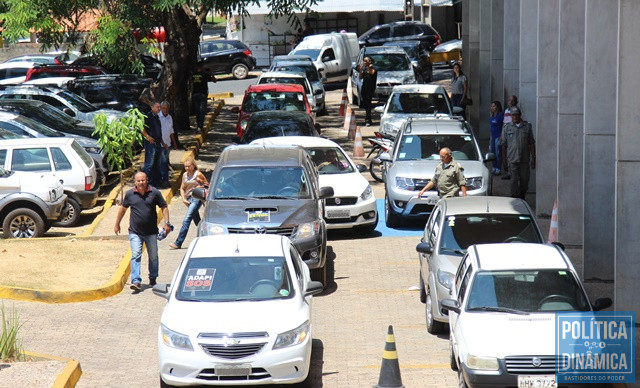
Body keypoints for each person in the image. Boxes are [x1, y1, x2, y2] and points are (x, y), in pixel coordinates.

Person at [114, 171, 171, 291]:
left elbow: (164, 206)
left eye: (143, 180)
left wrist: (167, 223)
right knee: (135, 255)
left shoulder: (154, 192)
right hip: (135, 232)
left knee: (153, 256)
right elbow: (123, 209)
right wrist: (117, 224)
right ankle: (136, 281)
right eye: (138, 180)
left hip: (151, 232)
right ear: (135, 182)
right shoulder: (130, 194)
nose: (141, 182)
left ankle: (153, 278)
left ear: (147, 180)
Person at [169, 157, 209, 249]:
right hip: (189, 198)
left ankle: (178, 242)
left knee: (187, 219)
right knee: (197, 220)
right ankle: (207, 235)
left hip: (197, 198)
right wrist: (183, 199)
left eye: (189, 166)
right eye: (185, 167)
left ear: (193, 166)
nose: (187, 168)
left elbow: (207, 186)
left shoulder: (198, 174)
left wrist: (200, 187)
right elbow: (182, 188)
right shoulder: (185, 175)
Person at [501, 106, 536, 199]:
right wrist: (504, 160)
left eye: (517, 115)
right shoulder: (507, 127)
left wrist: (533, 158)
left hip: (524, 159)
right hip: (512, 159)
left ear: (520, 115)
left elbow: (531, 143)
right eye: (513, 115)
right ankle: (515, 198)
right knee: (513, 181)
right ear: (511, 116)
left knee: (524, 180)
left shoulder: (527, 126)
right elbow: (503, 145)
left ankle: (522, 195)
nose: (515, 117)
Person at [141, 101, 164, 187]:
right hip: (151, 143)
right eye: (157, 107)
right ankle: (148, 183)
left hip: (157, 143)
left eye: (159, 107)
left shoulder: (157, 117)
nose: (159, 109)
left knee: (157, 164)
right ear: (152, 107)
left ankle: (157, 181)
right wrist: (148, 137)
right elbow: (141, 128)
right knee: (149, 164)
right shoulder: (148, 116)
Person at [192, 64, 216, 132]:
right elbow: (214, 81)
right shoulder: (205, 75)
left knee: (197, 111)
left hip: (195, 94)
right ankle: (200, 126)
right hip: (202, 94)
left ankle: (198, 125)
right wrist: (211, 73)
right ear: (202, 67)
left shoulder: (193, 74)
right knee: (202, 111)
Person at [159, 101, 177, 187]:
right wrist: (163, 143)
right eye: (164, 108)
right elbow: (158, 133)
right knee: (162, 163)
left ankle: (165, 180)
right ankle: (164, 181)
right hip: (161, 145)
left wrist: (174, 143)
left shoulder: (170, 117)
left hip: (168, 144)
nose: (165, 110)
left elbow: (171, 131)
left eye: (167, 108)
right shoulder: (158, 117)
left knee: (165, 162)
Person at [358, 56, 377, 126]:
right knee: (366, 104)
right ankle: (368, 118)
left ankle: (368, 119)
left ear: (370, 61)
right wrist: (360, 69)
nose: (364, 62)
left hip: (370, 88)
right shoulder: (365, 69)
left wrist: (367, 66)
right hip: (364, 88)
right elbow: (361, 77)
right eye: (364, 61)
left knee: (368, 104)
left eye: (366, 61)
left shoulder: (372, 68)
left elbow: (372, 73)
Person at [489, 101, 504, 175]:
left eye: (494, 106)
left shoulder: (500, 115)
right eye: (491, 106)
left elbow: (504, 125)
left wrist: (502, 134)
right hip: (492, 136)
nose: (492, 108)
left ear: (497, 107)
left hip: (498, 136)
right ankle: (494, 167)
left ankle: (498, 168)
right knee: (492, 152)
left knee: (498, 153)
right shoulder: (492, 116)